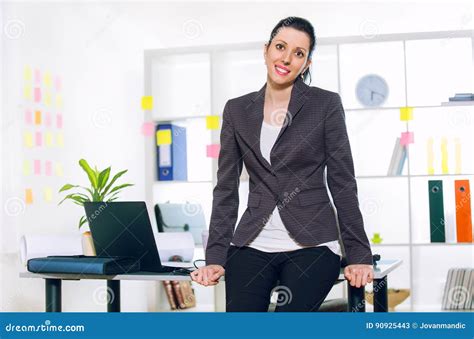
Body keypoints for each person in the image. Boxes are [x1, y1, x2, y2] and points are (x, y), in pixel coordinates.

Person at [190, 16, 374, 312]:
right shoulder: (236, 110)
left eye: (299, 53)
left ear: (307, 63)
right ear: (266, 50)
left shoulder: (325, 105)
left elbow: (342, 183)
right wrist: (214, 258)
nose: (286, 58)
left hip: (312, 245)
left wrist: (359, 254)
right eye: (280, 47)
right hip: (251, 243)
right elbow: (225, 189)